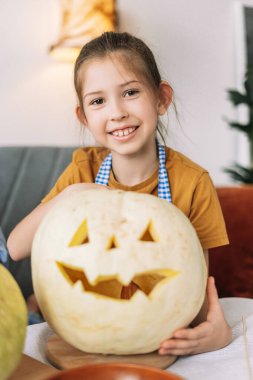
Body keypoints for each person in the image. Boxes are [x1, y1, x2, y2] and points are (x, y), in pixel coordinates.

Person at [7, 31, 232, 355]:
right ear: (84, 116)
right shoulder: (82, 169)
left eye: (130, 92)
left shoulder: (192, 182)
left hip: (154, 335)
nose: (117, 112)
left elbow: (191, 295)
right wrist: (69, 195)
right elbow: (15, 248)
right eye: (98, 101)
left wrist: (218, 333)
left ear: (161, 98)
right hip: (72, 331)